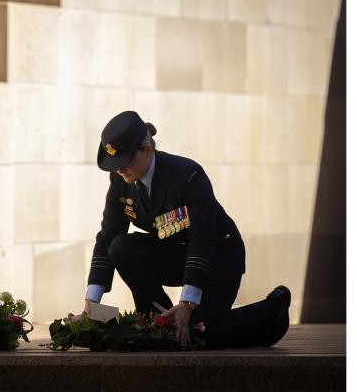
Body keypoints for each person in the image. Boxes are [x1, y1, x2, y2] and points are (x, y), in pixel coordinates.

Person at [83, 110, 291, 348]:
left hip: (217, 257)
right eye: (115, 164)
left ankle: (272, 308)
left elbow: (202, 240)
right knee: (120, 246)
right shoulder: (121, 179)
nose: (119, 170)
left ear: (147, 150)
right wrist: (92, 301)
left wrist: (187, 304)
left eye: (125, 161)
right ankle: (156, 317)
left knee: (196, 332)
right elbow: (107, 236)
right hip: (175, 254)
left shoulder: (187, 175)